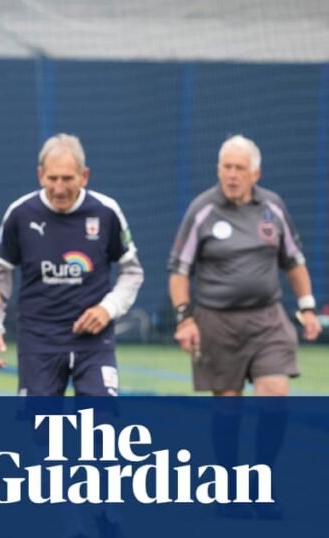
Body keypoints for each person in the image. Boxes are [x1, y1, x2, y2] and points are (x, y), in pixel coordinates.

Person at [168, 134, 321, 519]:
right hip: (217, 320)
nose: (231, 175)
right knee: (228, 408)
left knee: (275, 398)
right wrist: (185, 318)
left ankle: (261, 485)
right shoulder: (202, 210)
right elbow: (179, 270)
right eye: (225, 167)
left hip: (268, 317)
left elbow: (294, 260)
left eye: (239, 168)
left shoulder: (273, 207)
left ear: (256, 172)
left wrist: (306, 307)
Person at [0, 133, 144, 397]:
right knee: (39, 432)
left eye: (68, 179)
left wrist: (108, 308)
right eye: (52, 178)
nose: (59, 188)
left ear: (84, 176)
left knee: (99, 425)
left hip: (94, 342)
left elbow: (132, 271)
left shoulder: (106, 211)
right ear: (40, 175)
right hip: (38, 340)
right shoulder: (20, 214)